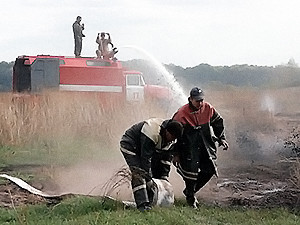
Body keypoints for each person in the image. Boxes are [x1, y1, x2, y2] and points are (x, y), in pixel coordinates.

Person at [172, 87, 229, 208]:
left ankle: (190, 192)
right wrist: (176, 154)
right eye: (197, 100)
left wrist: (221, 138)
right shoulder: (181, 114)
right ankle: (190, 198)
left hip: (206, 146)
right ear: (191, 99)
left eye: (202, 100)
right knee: (190, 175)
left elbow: (218, 122)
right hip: (188, 149)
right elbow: (174, 134)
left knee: (209, 170)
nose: (200, 103)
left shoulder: (208, 108)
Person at [120, 118, 183, 212]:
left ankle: (150, 200)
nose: (173, 140)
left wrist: (163, 177)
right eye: (172, 137)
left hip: (148, 150)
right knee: (139, 172)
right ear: (167, 132)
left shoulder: (171, 140)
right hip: (131, 145)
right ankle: (142, 205)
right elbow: (145, 159)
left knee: (153, 174)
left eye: (175, 138)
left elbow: (166, 160)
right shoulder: (152, 132)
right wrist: (149, 179)